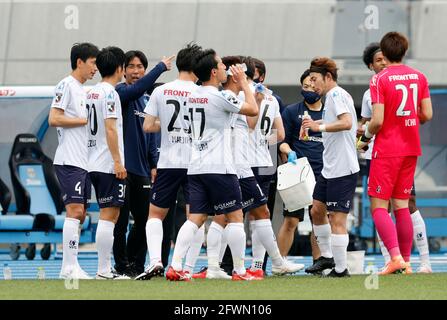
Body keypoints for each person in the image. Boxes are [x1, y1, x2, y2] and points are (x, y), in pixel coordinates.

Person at [193, 56, 304, 280]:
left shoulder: (243, 94)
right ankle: (231, 267)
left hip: (243, 163)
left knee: (243, 214)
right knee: (231, 216)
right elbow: (266, 128)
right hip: (239, 164)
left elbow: (255, 126)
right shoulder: (234, 96)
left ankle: (248, 265)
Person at [166, 49, 258, 281]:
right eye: (222, 65)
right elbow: (253, 111)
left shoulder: (191, 95)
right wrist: (244, 83)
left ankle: (175, 266)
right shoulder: (219, 96)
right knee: (236, 217)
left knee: (195, 218)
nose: (227, 69)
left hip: (196, 166)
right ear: (214, 71)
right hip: (220, 166)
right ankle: (239, 271)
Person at [357, 32, 433, 275]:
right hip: (411, 147)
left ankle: (395, 257)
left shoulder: (380, 79)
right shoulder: (420, 76)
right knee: (402, 205)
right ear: (404, 51)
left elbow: (377, 121)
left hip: (388, 149)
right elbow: (427, 115)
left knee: (378, 206)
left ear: (385, 53)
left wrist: (365, 138)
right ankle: (407, 261)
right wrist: (408, 119)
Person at [135, 43, 203, 280]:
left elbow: (147, 126)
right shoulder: (201, 93)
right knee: (194, 216)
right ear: (198, 67)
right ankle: (180, 265)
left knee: (155, 215)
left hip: (168, 162)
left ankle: (155, 261)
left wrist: (169, 125)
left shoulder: (161, 91)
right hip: (196, 163)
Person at [114, 50, 174, 276]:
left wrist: (154, 164)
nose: (136, 71)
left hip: (141, 171)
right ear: (123, 70)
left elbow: (150, 137)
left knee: (145, 220)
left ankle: (135, 264)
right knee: (119, 223)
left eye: (140, 67)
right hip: (121, 169)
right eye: (132, 66)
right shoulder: (120, 93)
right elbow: (137, 89)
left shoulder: (147, 101)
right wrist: (160, 67)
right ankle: (120, 267)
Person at [303, 57, 359, 277]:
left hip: (343, 167)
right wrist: (316, 126)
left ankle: (341, 268)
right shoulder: (332, 97)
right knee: (316, 209)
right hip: (330, 166)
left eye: (315, 80)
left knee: (337, 218)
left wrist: (320, 127)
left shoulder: (336, 94)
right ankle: (326, 256)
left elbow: (345, 123)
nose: (313, 85)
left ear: (327, 77)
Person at [49, 42, 99, 279]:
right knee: (75, 210)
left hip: (83, 161)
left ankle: (71, 265)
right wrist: (82, 121)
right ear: (79, 62)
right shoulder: (66, 85)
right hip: (69, 159)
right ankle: (68, 268)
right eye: (92, 63)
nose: (95, 68)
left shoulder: (83, 89)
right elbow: (54, 118)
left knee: (81, 213)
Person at [86, 46, 129, 279]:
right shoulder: (111, 94)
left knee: (107, 214)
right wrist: (117, 162)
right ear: (120, 68)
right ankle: (103, 270)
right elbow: (110, 128)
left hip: (92, 161)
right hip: (106, 163)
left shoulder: (91, 92)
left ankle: (104, 268)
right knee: (109, 215)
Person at [278, 69, 323, 264]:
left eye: (313, 86)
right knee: (291, 220)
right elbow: (282, 141)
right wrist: (289, 152)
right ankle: (280, 262)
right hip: (298, 173)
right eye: (306, 86)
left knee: (319, 221)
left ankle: (319, 262)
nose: (310, 89)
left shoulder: (330, 111)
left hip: (322, 172)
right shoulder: (291, 111)